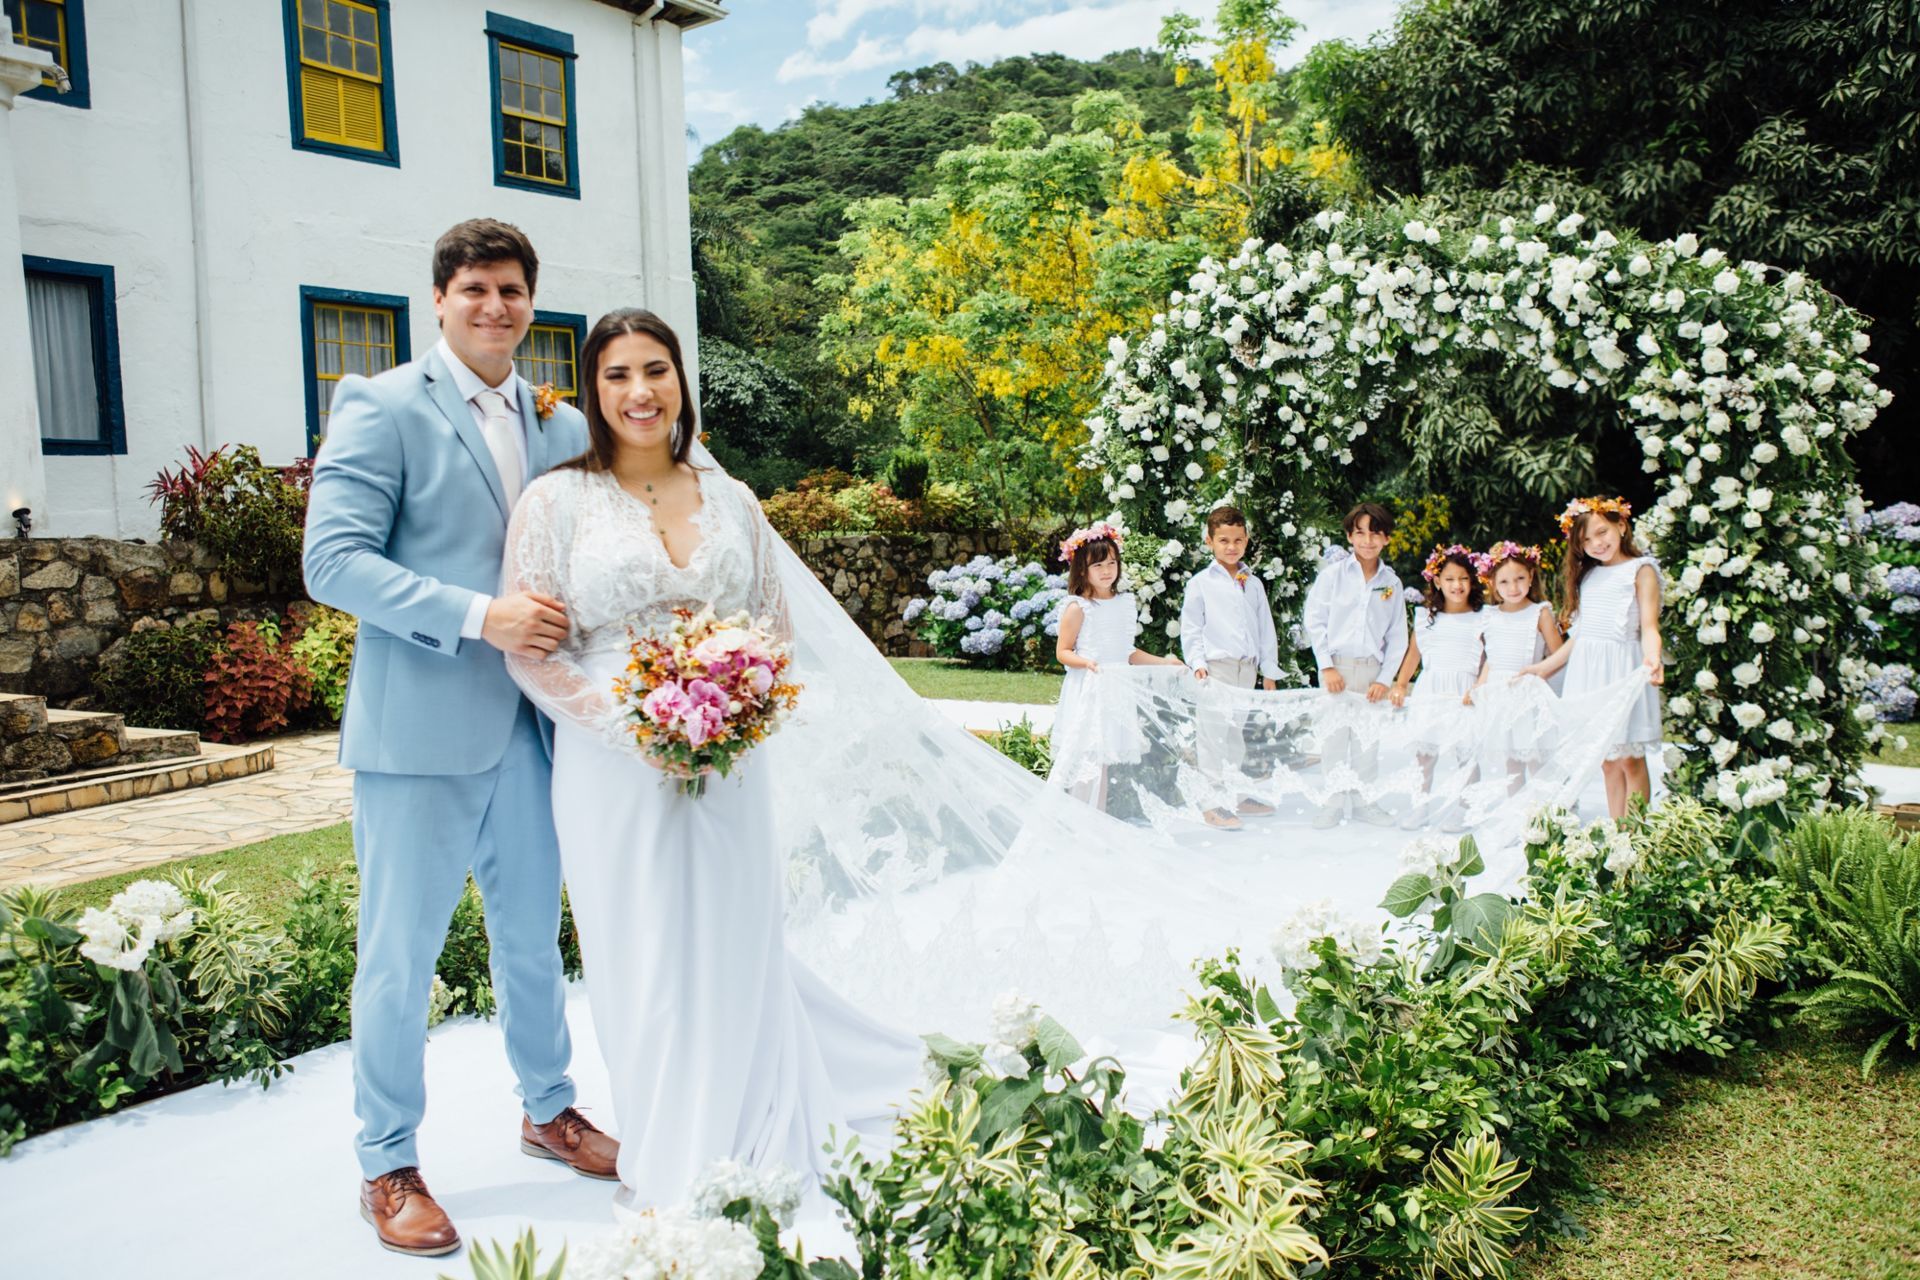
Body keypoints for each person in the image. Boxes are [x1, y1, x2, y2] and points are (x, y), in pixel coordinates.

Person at [500, 309, 923, 1209]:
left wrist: (735, 709)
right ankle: (676, 1141)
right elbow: (532, 650)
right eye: (617, 375)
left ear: (681, 381)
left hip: (729, 752)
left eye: (656, 370)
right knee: (640, 946)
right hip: (611, 759)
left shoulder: (731, 499)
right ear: (592, 388)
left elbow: (774, 624)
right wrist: (637, 726)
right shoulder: (556, 502)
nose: (640, 392)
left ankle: (753, 1116)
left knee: (735, 933)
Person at [303, 218, 613, 1258]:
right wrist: (481, 614)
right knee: (400, 957)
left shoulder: (562, 421)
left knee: (533, 938)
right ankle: (387, 1162)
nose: (494, 307)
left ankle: (550, 1107)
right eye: (474, 288)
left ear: (533, 305)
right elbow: (332, 562)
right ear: (439, 298)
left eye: (512, 291)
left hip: (536, 730)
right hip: (419, 733)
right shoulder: (380, 406)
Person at [1522, 498, 1664, 819]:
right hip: (1590, 674)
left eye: (1602, 532)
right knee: (1606, 759)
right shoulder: (1589, 577)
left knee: (1629, 758)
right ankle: (1618, 834)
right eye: (1586, 540)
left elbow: (1650, 627)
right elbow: (1580, 636)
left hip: (1623, 668)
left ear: (1621, 525)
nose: (1596, 544)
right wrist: (1544, 668)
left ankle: (1637, 836)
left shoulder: (1641, 571)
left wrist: (1653, 658)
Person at [1051, 523, 1186, 808]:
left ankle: (1094, 817)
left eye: (1111, 563)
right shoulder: (1078, 607)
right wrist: (1086, 662)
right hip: (1089, 686)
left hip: (1114, 688)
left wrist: (1165, 663)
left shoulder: (1124, 603)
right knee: (1087, 759)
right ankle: (1079, 821)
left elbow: (1128, 652)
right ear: (1083, 569)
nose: (1106, 570)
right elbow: (1062, 651)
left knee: (1102, 761)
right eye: (1097, 564)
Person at [1302, 502, 1409, 828]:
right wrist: (1326, 666)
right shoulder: (1333, 576)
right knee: (1334, 738)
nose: (1367, 540)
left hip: (1371, 671)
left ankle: (1365, 802)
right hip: (1338, 667)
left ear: (1387, 538)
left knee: (1366, 740)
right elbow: (1315, 621)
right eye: (1360, 533)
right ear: (1349, 536)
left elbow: (1398, 637)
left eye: (1375, 533)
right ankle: (1332, 803)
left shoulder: (1391, 582)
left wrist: (1386, 679)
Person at [1179, 506, 1283, 830]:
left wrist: (1269, 671)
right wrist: (1197, 664)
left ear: (1246, 540)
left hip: (1245, 670)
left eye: (1238, 540)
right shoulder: (1201, 584)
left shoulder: (1252, 584)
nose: (1231, 546)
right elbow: (1192, 627)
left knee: (1234, 735)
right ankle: (1211, 803)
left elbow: (1265, 628)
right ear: (1209, 541)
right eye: (1223, 540)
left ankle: (1235, 794)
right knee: (1212, 737)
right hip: (1215, 668)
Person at [1389, 546, 1488, 828]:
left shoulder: (1483, 616)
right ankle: (1420, 805)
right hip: (1431, 688)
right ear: (1437, 581)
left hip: (1465, 690)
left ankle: (1467, 807)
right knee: (1424, 753)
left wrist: (1481, 686)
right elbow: (1413, 655)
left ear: (1473, 581)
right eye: (1449, 579)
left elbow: (1488, 658)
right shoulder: (1426, 617)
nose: (1457, 585)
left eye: (1463, 579)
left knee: (1466, 752)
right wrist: (1400, 684)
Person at [1470, 541, 1565, 794]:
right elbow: (1493, 656)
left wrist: (1538, 677)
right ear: (1491, 583)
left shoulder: (1539, 613)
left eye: (1520, 578)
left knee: (1535, 758)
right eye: (1504, 582)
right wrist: (1480, 685)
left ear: (1531, 576)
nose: (1513, 588)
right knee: (1510, 761)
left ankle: (1542, 817)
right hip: (1500, 694)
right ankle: (1513, 818)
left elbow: (1558, 655)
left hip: (1528, 693)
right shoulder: (1489, 615)